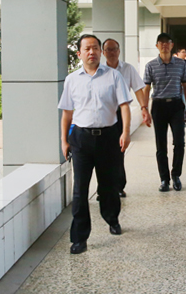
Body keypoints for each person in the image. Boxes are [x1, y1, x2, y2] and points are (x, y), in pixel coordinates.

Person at [59, 34, 132, 255]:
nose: (92, 52)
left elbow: (125, 106)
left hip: (108, 137)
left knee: (109, 185)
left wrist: (125, 132)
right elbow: (67, 113)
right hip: (81, 139)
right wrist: (64, 140)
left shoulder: (114, 76)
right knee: (80, 190)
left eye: (95, 48)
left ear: (100, 51)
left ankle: (112, 218)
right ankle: (79, 238)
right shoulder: (72, 79)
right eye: (87, 49)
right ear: (79, 53)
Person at [102, 38, 152, 198]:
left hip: (120, 114)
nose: (111, 52)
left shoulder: (128, 69)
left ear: (119, 51)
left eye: (114, 49)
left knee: (119, 151)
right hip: (103, 115)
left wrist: (144, 108)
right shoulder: (99, 70)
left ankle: (118, 185)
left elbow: (138, 89)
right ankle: (104, 188)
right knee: (102, 153)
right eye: (108, 49)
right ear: (103, 52)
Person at [143, 33, 186, 192]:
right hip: (159, 106)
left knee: (179, 142)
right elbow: (146, 88)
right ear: (157, 46)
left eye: (167, 42)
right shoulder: (150, 65)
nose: (164, 45)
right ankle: (164, 179)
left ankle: (176, 175)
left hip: (176, 105)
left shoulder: (181, 64)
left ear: (172, 45)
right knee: (161, 145)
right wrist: (144, 109)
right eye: (161, 43)